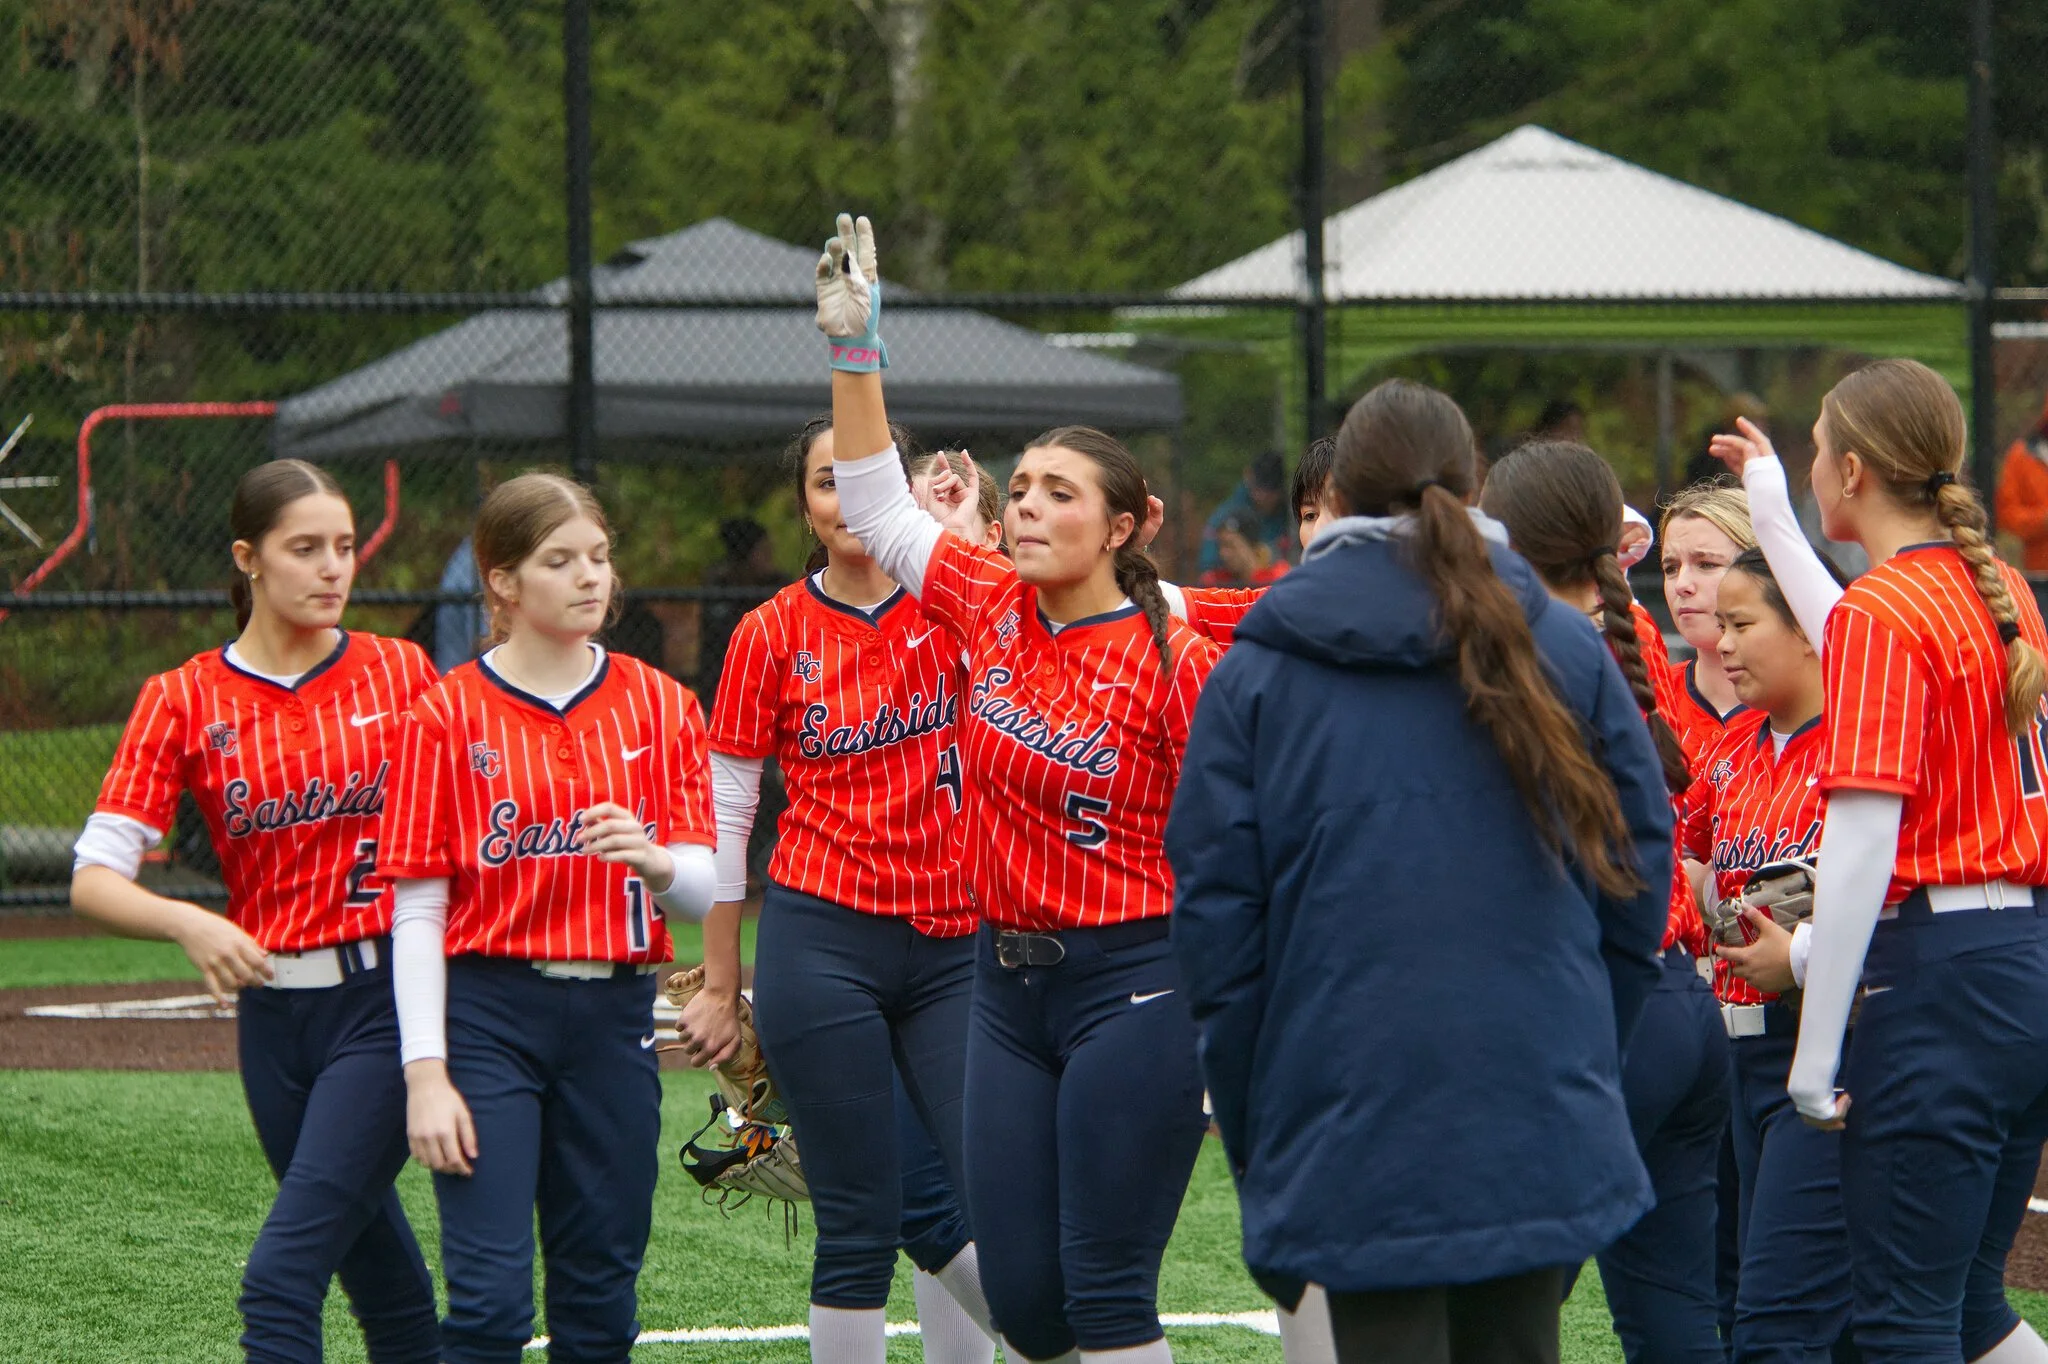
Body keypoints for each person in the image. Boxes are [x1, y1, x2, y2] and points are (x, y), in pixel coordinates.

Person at [1169, 378, 1672, 1364]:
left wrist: (1258, 1120)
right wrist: (1576, 1045)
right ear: (1474, 482)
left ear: (1339, 493)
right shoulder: (1566, 646)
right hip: (1534, 1086)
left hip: (1348, 1099)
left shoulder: (1257, 672)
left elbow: (1217, 936)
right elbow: (1634, 890)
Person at [817, 212, 1222, 1364]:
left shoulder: (1168, 657)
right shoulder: (987, 600)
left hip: (1134, 985)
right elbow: (877, 504)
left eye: (1060, 492)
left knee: (1102, 1293)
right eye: (1025, 487)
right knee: (1029, 1306)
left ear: (1124, 526)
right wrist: (856, 355)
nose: (1030, 505)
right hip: (1003, 989)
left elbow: (1240, 838)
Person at [69, 460, 441, 1364]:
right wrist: (187, 921)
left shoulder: (402, 672)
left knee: (280, 1276)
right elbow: (93, 878)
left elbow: (469, 826)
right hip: (273, 1017)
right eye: (304, 548)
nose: (332, 569)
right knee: (381, 1275)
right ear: (248, 559)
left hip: (388, 1000)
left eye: (345, 548)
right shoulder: (184, 696)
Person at [1731, 359, 2048, 1364]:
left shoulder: (1886, 608)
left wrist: (1813, 1054)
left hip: (1935, 983)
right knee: (1961, 1306)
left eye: (1816, 448)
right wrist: (1772, 517)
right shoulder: (1990, 593)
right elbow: (1854, 634)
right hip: (2019, 962)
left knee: (1902, 1320)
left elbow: (1863, 842)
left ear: (1853, 469)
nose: (1810, 462)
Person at [676, 415, 998, 1364]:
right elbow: (729, 818)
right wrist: (723, 981)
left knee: (981, 1194)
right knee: (861, 1220)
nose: (849, 498)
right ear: (809, 510)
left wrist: (966, 536)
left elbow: (1040, 660)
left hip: (954, 942)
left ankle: (1055, 1339)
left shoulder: (963, 601)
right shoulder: (769, 632)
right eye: (827, 483)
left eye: (864, 477)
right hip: (824, 943)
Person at [379, 472, 720, 1364]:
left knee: (601, 1303)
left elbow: (702, 885)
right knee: (489, 1308)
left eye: (600, 558)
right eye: (559, 560)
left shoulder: (661, 702)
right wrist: (425, 1074)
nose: (590, 578)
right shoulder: (445, 713)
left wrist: (655, 860)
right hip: (488, 1014)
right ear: (501, 581)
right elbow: (416, 908)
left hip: (614, 1020)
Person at [1480, 441, 1726, 1364]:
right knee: (1670, 1325)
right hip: (1682, 1008)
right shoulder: (1635, 643)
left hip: (1601, 1015)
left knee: (1495, 1320)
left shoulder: (1529, 657)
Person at [697, 516, 785, 704]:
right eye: (763, 550)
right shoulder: (720, 587)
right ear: (748, 555)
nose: (770, 555)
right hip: (724, 682)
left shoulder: (779, 587)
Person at [1198, 448, 1294, 573]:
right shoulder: (1225, 516)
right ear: (1248, 477)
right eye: (1258, 488)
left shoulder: (1291, 515)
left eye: (1270, 491)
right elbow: (1207, 564)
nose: (1262, 496)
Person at [1197, 512, 1289, 587]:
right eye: (1220, 546)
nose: (1223, 553)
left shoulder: (1277, 579)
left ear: (1253, 546)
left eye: (1230, 545)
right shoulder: (1215, 581)